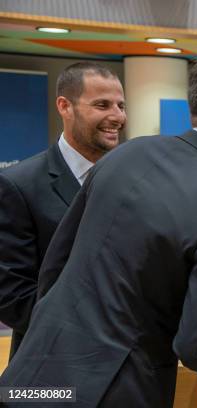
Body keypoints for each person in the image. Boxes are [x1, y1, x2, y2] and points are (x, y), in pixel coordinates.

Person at [0, 53, 197, 407]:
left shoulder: (128, 155)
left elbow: (56, 268)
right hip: (116, 390)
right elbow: (196, 346)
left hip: (34, 376)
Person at [0, 61, 125, 358]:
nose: (117, 116)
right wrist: (95, 332)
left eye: (121, 105)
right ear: (64, 106)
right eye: (102, 105)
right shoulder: (18, 185)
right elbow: (12, 295)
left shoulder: (136, 179)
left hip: (129, 370)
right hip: (52, 366)